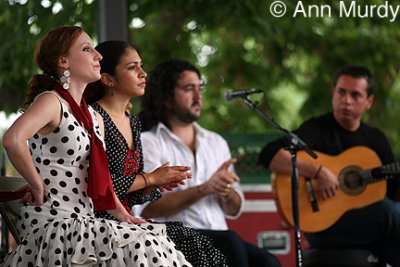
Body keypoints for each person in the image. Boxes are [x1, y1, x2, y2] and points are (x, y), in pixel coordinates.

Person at [1, 26, 193, 266]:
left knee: (154, 241)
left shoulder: (94, 116)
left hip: (84, 220)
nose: (98, 55)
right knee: (145, 246)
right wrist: (36, 184)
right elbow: (13, 139)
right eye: (86, 49)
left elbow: (98, 177)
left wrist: (123, 215)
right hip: (56, 224)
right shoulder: (51, 101)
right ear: (64, 61)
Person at [84, 40, 227, 266]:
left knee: (201, 247)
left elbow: (130, 194)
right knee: (195, 244)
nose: (143, 73)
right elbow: (97, 187)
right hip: (99, 222)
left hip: (126, 220)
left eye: (141, 66)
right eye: (132, 68)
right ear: (108, 78)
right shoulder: (93, 118)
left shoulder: (134, 124)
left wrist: (155, 184)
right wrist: (150, 178)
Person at [135, 59, 282, 267]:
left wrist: (226, 190)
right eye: (188, 89)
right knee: (231, 242)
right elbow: (147, 208)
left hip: (221, 239)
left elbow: (235, 207)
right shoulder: (149, 142)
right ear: (166, 97)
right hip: (174, 240)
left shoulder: (216, 142)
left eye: (199, 88)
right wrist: (205, 188)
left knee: (268, 262)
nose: (198, 97)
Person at [259, 65, 400, 266]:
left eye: (355, 95)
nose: (346, 100)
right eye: (341, 92)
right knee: (388, 212)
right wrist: (318, 171)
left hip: (368, 226)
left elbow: (394, 190)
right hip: (322, 227)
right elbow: (269, 154)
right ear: (333, 93)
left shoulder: (376, 140)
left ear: (369, 101)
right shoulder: (316, 129)